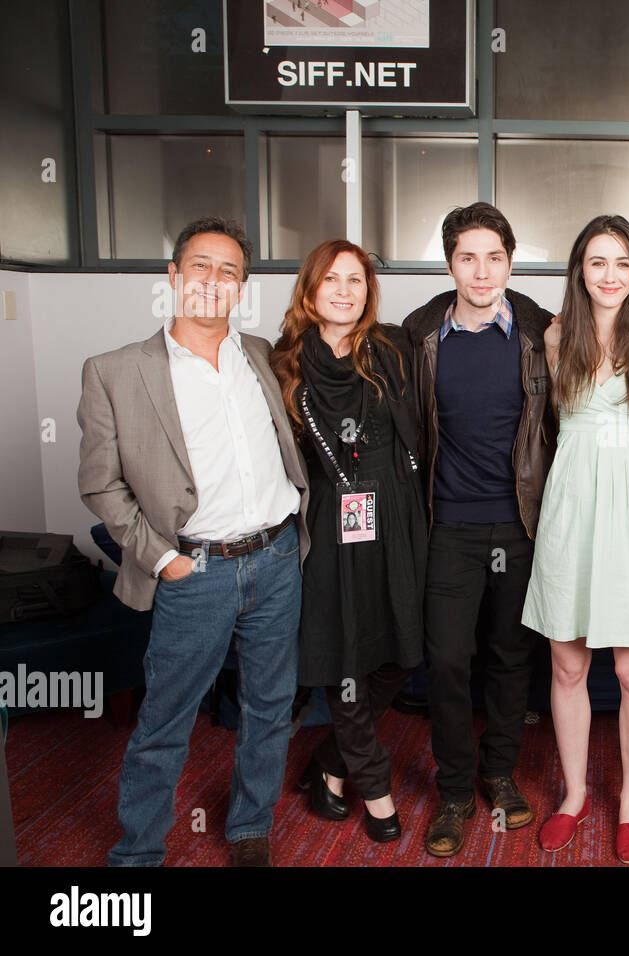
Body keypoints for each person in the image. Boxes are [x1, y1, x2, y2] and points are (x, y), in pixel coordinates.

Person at [77, 216, 308, 867]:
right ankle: (139, 853)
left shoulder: (263, 355)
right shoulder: (117, 371)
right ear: (174, 276)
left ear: (242, 287)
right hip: (194, 572)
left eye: (228, 270)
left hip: (278, 558)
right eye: (200, 266)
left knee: (269, 707)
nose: (213, 280)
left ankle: (249, 826)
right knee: (165, 721)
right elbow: (100, 484)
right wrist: (163, 559)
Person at [521, 215, 629, 864]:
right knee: (568, 664)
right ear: (579, 271)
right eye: (597, 262)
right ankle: (573, 795)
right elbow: (557, 429)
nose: (609, 274)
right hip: (569, 509)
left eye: (622, 263)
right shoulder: (558, 336)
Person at [401, 203, 558, 858]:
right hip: (449, 528)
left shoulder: (540, 331)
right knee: (446, 660)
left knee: (511, 656)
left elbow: (619, 336)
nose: (482, 270)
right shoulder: (418, 337)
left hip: (520, 524)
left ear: (511, 262)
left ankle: (500, 774)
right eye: (468, 257)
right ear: (449, 264)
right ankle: (456, 791)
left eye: (495, 257)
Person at [269, 239, 426, 844]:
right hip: (330, 528)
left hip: (394, 519)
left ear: (368, 291)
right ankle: (376, 785)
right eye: (330, 280)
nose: (343, 290)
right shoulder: (283, 364)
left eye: (355, 280)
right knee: (345, 654)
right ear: (310, 291)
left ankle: (330, 762)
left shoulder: (391, 350)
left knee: (397, 651)